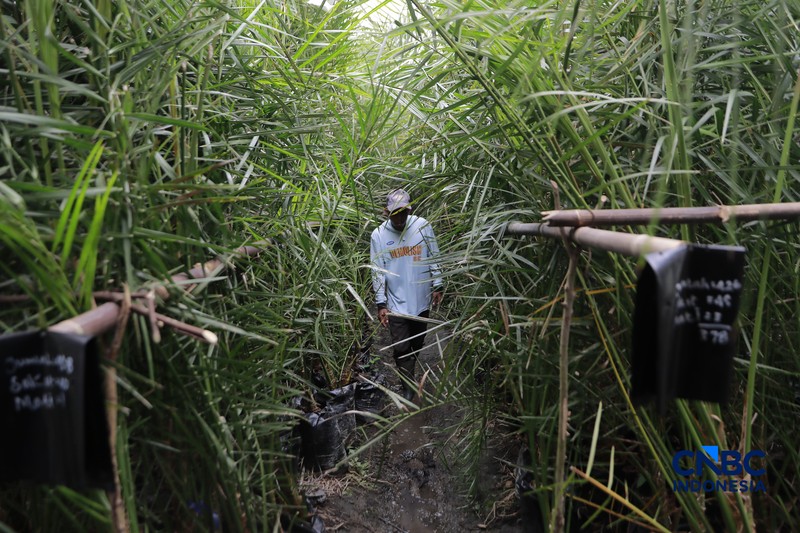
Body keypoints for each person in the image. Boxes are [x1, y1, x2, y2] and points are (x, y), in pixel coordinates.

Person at [370, 189, 443, 400]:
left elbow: (434, 254)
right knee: (402, 347)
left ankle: (409, 370)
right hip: (395, 301)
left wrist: (438, 284)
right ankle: (408, 387)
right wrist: (380, 303)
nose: (400, 218)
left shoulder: (422, 226)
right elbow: (377, 270)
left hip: (421, 298)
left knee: (417, 343)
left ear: (409, 210)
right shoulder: (379, 235)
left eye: (403, 212)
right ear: (387, 212)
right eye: (395, 213)